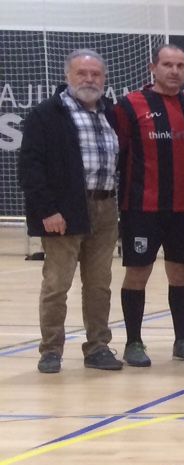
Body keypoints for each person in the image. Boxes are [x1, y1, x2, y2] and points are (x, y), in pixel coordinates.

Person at [19, 49, 124, 374]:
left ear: (104, 79)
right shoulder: (45, 114)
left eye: (96, 74)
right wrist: (48, 210)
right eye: (82, 73)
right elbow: (30, 168)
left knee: (99, 285)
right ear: (68, 76)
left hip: (106, 209)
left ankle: (98, 347)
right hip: (63, 212)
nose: (89, 79)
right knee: (57, 285)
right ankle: (50, 350)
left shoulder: (112, 114)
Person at [110, 43, 184, 367]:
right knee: (137, 273)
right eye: (167, 64)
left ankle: (182, 340)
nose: (174, 71)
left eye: (180, 65)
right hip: (142, 208)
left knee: (181, 274)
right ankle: (133, 342)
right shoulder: (129, 105)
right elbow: (118, 152)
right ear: (153, 68)